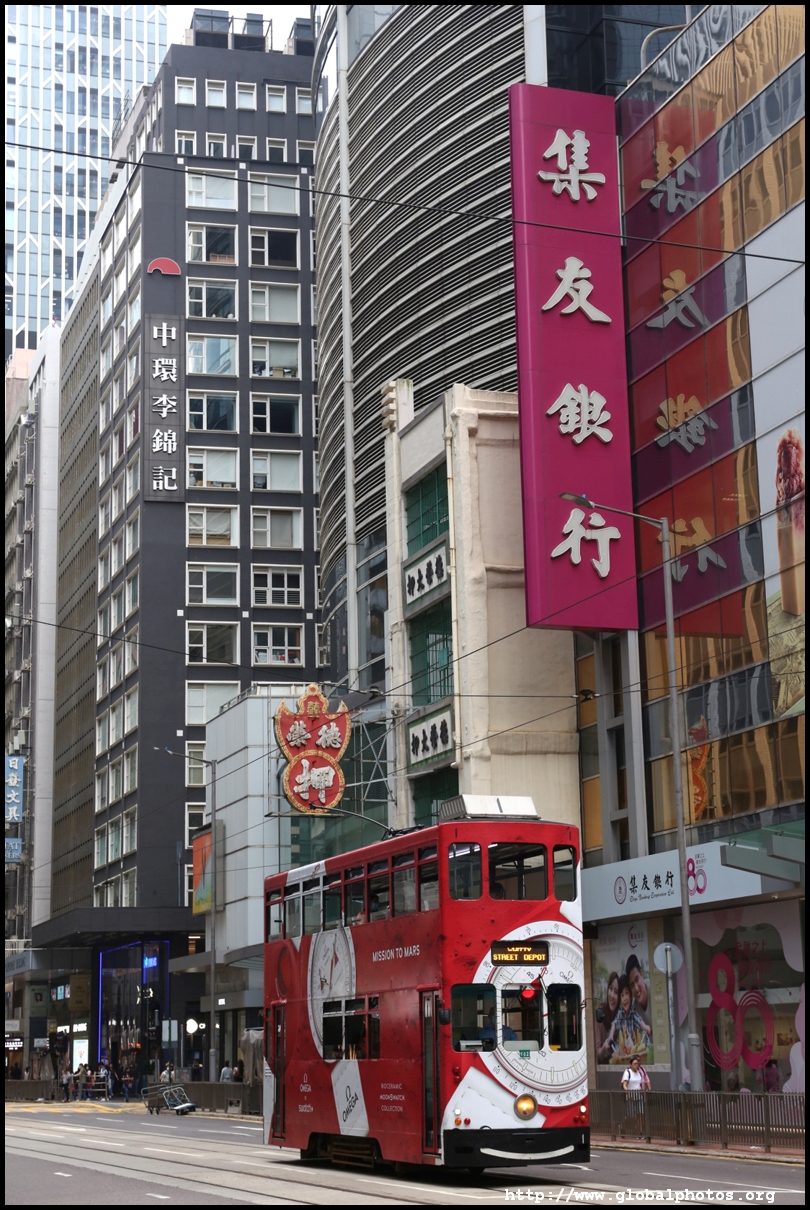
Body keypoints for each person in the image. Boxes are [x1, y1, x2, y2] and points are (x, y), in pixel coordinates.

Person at [605, 974, 651, 1061]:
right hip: (622, 1049)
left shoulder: (633, 1012)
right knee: (618, 1050)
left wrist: (645, 1027)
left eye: (627, 993)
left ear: (631, 995)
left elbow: (639, 1020)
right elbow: (614, 1024)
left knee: (640, 1047)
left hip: (632, 1048)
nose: (625, 998)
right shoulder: (620, 1013)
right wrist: (611, 1035)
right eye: (622, 995)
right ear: (620, 999)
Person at [595, 971, 620, 1064]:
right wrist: (604, 1048)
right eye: (610, 989)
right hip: (604, 1070)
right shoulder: (600, 1012)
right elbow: (598, 1055)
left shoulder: (620, 1015)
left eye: (616, 992)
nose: (612, 995)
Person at [621, 1055, 649, 1139]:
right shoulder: (628, 1072)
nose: (636, 1065)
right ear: (631, 1065)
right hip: (631, 1097)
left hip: (638, 1096)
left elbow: (641, 1084)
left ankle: (640, 1132)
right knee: (631, 1116)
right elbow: (624, 1085)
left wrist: (643, 1092)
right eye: (634, 1064)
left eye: (637, 1064)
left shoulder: (640, 1073)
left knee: (640, 1115)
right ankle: (622, 1126)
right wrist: (628, 1093)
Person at [626, 954, 653, 1039]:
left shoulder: (654, 991)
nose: (636, 988)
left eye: (637, 980)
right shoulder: (635, 1008)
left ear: (641, 974)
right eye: (632, 985)